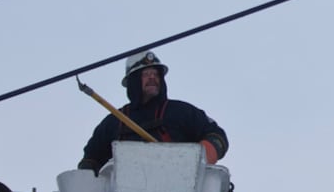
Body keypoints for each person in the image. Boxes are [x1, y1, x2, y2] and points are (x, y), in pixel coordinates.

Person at [78, 50, 228, 173]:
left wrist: (200, 159)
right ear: (133, 82)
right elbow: (91, 158)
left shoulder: (182, 112)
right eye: (145, 74)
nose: (152, 78)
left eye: (155, 74)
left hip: (180, 190)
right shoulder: (115, 121)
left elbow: (217, 136)